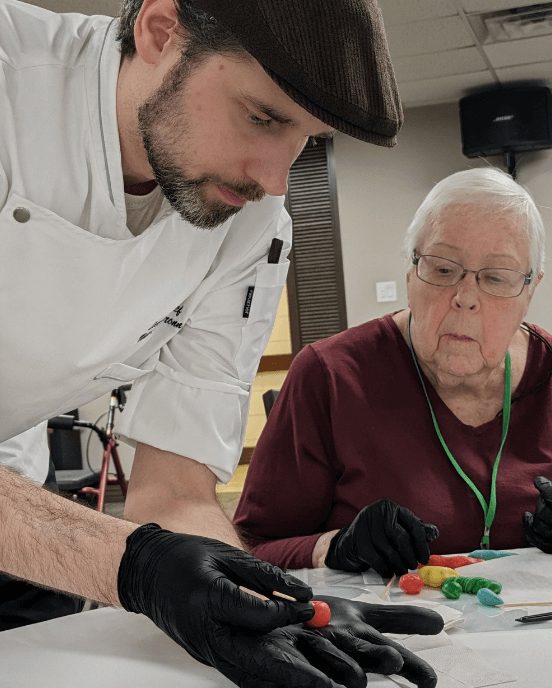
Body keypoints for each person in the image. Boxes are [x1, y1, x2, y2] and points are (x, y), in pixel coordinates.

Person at [0, 1, 443, 686]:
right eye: (262, 117)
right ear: (159, 29)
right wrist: (138, 566)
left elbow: (172, 494)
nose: (272, 179)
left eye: (303, 137)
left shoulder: (250, 228)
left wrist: (269, 604)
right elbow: (140, 549)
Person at [234, 167, 552, 576]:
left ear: (530, 290)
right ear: (410, 273)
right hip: (383, 632)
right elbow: (248, 547)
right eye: (442, 269)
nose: (465, 298)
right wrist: (334, 546)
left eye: (496, 277)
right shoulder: (329, 375)